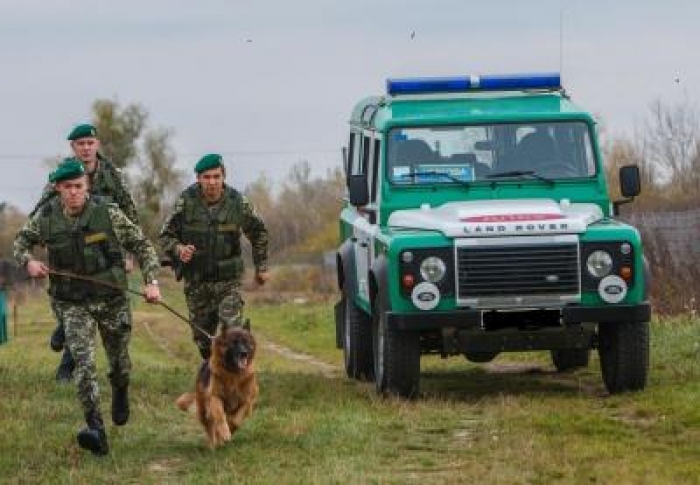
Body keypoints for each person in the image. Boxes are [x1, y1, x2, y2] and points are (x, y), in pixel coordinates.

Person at [14, 159, 161, 456]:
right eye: (67, 187)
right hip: (72, 304)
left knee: (119, 362)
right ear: (57, 189)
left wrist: (152, 281)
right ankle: (96, 429)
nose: (73, 192)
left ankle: (120, 388)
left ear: (87, 186)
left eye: (79, 186)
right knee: (84, 364)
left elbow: (142, 245)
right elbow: (20, 242)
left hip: (111, 300)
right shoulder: (46, 217)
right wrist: (28, 261)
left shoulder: (107, 212)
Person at [30, 123, 139, 383]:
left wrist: (130, 254)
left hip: (104, 251)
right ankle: (64, 329)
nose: (86, 148)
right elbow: (40, 211)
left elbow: (130, 215)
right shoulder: (62, 176)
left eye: (90, 142)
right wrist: (42, 237)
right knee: (71, 304)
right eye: (81, 144)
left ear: (97, 144)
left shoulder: (115, 176)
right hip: (68, 252)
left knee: (91, 308)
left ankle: (67, 368)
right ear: (73, 147)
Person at [159, 153, 269, 359]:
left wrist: (261, 267)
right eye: (206, 177)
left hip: (228, 281)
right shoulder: (186, 201)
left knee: (233, 331)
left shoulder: (238, 203)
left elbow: (259, 232)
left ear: (223, 176)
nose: (212, 182)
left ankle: (234, 380)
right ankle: (212, 372)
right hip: (197, 282)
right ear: (198, 179)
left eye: (216, 177)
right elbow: (165, 235)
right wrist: (179, 249)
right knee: (203, 339)